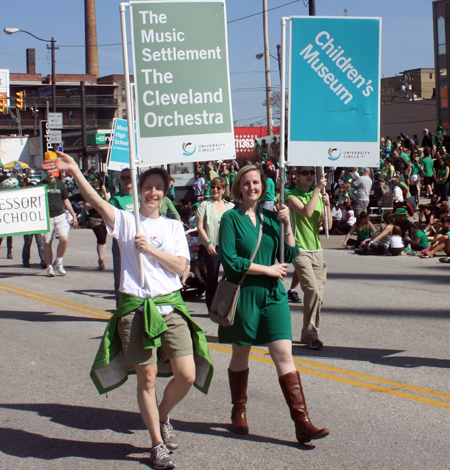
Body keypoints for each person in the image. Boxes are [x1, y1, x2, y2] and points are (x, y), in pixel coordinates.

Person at [42, 153, 213, 470]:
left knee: (186, 374)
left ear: (166, 191)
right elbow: (94, 200)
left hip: (170, 307)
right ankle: (157, 445)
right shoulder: (125, 221)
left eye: (159, 188)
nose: (153, 193)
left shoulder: (174, 227)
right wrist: (76, 170)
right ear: (140, 189)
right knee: (146, 378)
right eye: (148, 187)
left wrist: (150, 248)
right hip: (135, 309)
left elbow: (182, 269)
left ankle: (163, 415)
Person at [218, 164, 328, 445]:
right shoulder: (230, 218)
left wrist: (288, 224)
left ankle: (301, 422)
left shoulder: (272, 217)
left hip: (274, 296)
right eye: (246, 183)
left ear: (263, 185)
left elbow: (289, 253)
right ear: (238, 187)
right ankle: (238, 410)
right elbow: (230, 262)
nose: (252, 187)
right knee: (241, 355)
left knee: (284, 355)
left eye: (256, 182)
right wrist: (266, 270)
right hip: (245, 295)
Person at [286, 166, 332, 350]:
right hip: (300, 248)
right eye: (305, 172)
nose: (310, 175)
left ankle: (308, 333)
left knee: (318, 295)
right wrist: (318, 191)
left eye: (312, 172)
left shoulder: (318, 195)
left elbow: (328, 224)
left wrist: (327, 205)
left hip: (317, 250)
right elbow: (305, 211)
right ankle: (312, 334)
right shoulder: (290, 194)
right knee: (312, 290)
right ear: (296, 175)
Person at [196, 176, 234, 309]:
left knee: (232, 276)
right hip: (211, 247)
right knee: (212, 276)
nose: (215, 190)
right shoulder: (204, 205)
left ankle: (228, 305)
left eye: (218, 187)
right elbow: (200, 227)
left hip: (227, 246)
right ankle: (211, 307)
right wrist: (208, 243)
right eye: (213, 187)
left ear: (224, 190)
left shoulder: (230, 206)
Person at [39, 166, 78, 277]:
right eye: (48, 171)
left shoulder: (60, 184)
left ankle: (59, 261)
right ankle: (49, 266)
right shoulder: (41, 185)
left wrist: (73, 215)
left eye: (53, 171)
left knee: (64, 239)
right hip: (47, 217)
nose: (51, 173)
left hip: (60, 215)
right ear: (45, 172)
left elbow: (66, 200)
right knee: (47, 242)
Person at [108, 168, 135, 308]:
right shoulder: (115, 199)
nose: (128, 180)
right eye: (124, 177)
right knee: (121, 276)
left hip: (139, 240)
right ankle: (121, 308)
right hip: (121, 242)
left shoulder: (140, 196)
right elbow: (112, 222)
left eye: (130, 177)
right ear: (119, 181)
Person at [85, 173, 111, 270]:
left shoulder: (105, 189)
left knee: (103, 238)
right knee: (100, 237)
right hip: (94, 218)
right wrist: (97, 203)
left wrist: (104, 193)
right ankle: (101, 259)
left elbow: (109, 201)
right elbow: (86, 205)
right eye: (92, 180)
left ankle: (101, 259)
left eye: (95, 179)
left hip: (104, 217)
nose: (94, 181)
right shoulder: (89, 191)